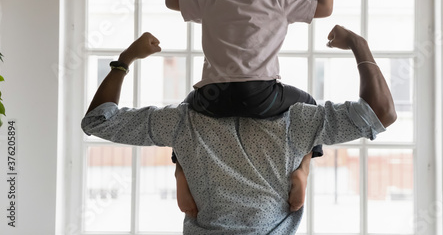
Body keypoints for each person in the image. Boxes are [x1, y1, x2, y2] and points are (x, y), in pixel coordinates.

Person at [82, 25, 397, 235]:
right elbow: (380, 112)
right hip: (269, 217)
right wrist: (358, 45)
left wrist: (125, 60)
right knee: (305, 110)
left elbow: (97, 120)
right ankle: (302, 165)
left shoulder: (185, 119)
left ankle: (186, 168)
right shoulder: (296, 117)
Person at [165, 0, 334, 215]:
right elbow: (325, 7)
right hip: (261, 96)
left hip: (212, 97)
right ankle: (303, 170)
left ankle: (182, 174)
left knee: (183, 115)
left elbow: (171, 2)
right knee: (310, 105)